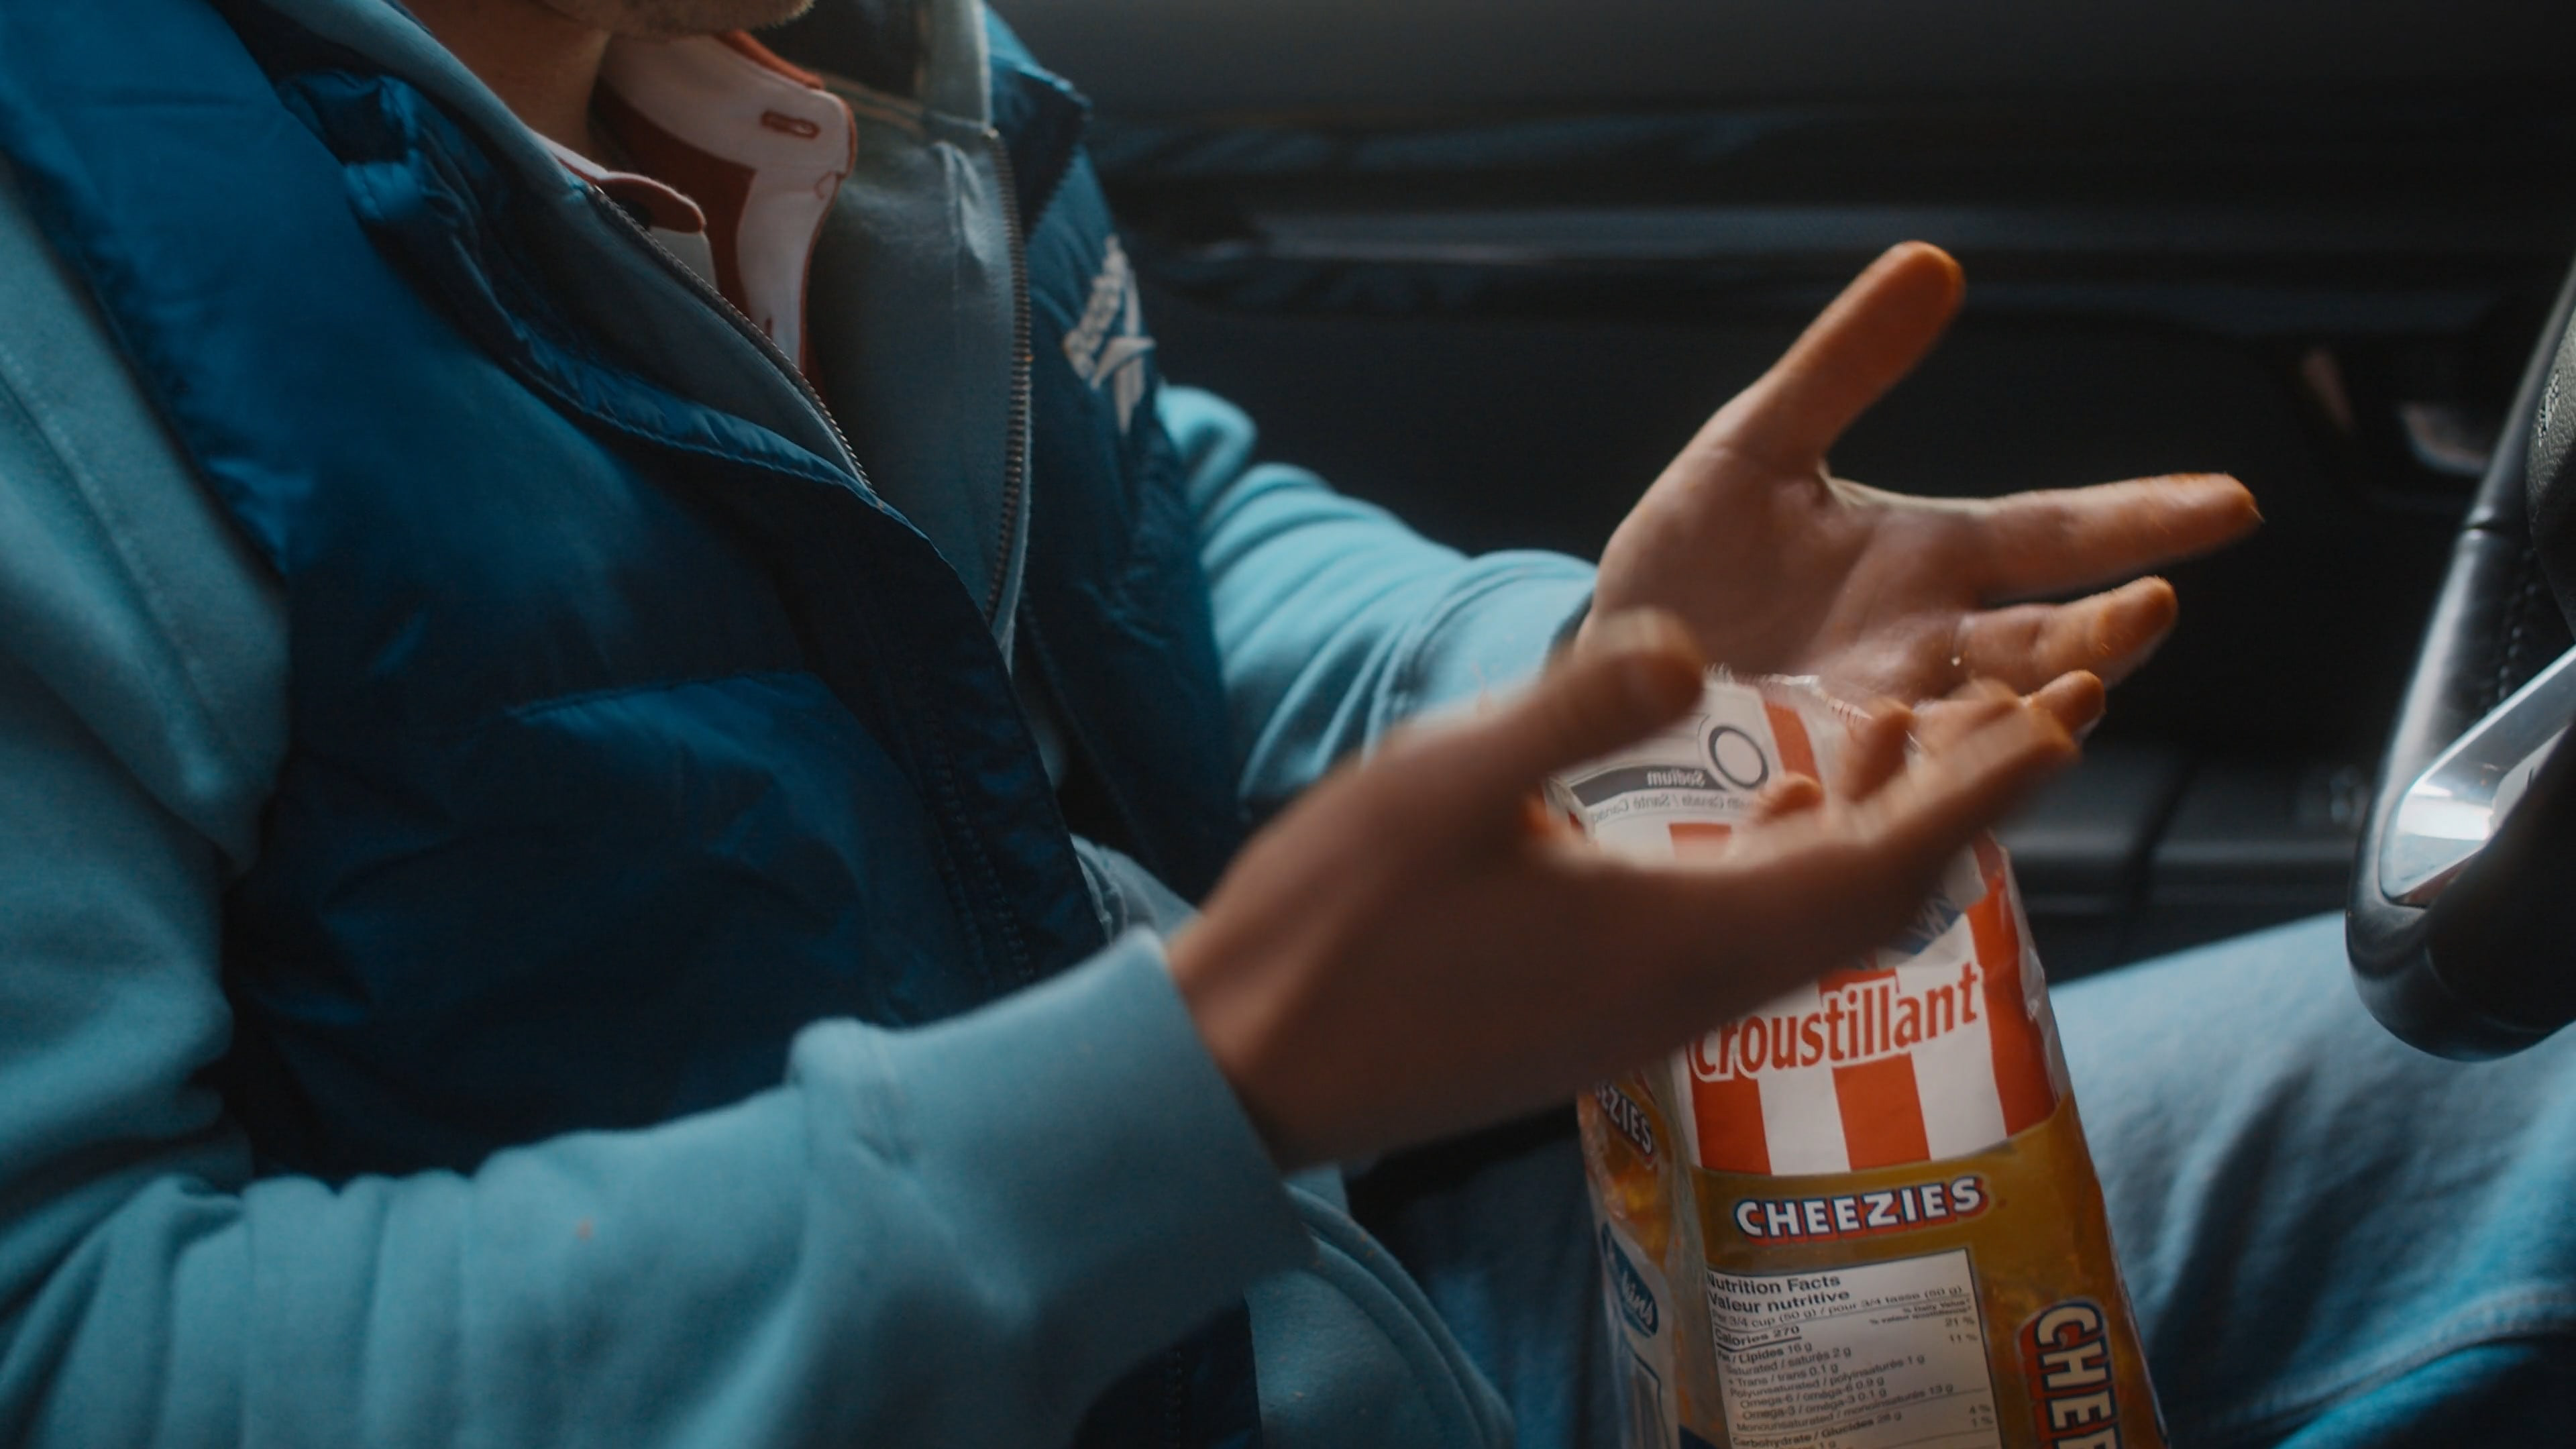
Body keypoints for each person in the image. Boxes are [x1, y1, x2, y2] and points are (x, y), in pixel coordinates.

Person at [0, 1, 2566, 1446]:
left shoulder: (801, 51)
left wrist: (1592, 686)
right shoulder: (68, 312)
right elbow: (85, 1350)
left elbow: (1143, 524)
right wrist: (1211, 1083)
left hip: (1353, 1327)